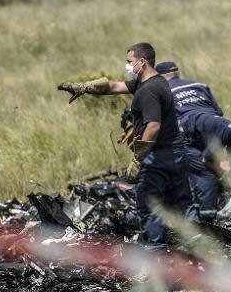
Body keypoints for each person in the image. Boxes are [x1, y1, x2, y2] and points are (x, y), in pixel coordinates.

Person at [56, 42, 193, 247]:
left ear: (142, 61)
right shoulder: (152, 82)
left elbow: (153, 126)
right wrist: (84, 87)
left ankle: (155, 251)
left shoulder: (149, 91)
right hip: (176, 152)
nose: (127, 65)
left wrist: (139, 158)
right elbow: (114, 86)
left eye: (130, 61)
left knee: (149, 205)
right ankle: (190, 245)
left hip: (158, 156)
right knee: (178, 202)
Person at [155, 61, 223, 125]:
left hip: (190, 127)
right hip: (218, 122)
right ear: (177, 73)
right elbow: (219, 111)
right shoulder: (200, 85)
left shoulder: (163, 92)